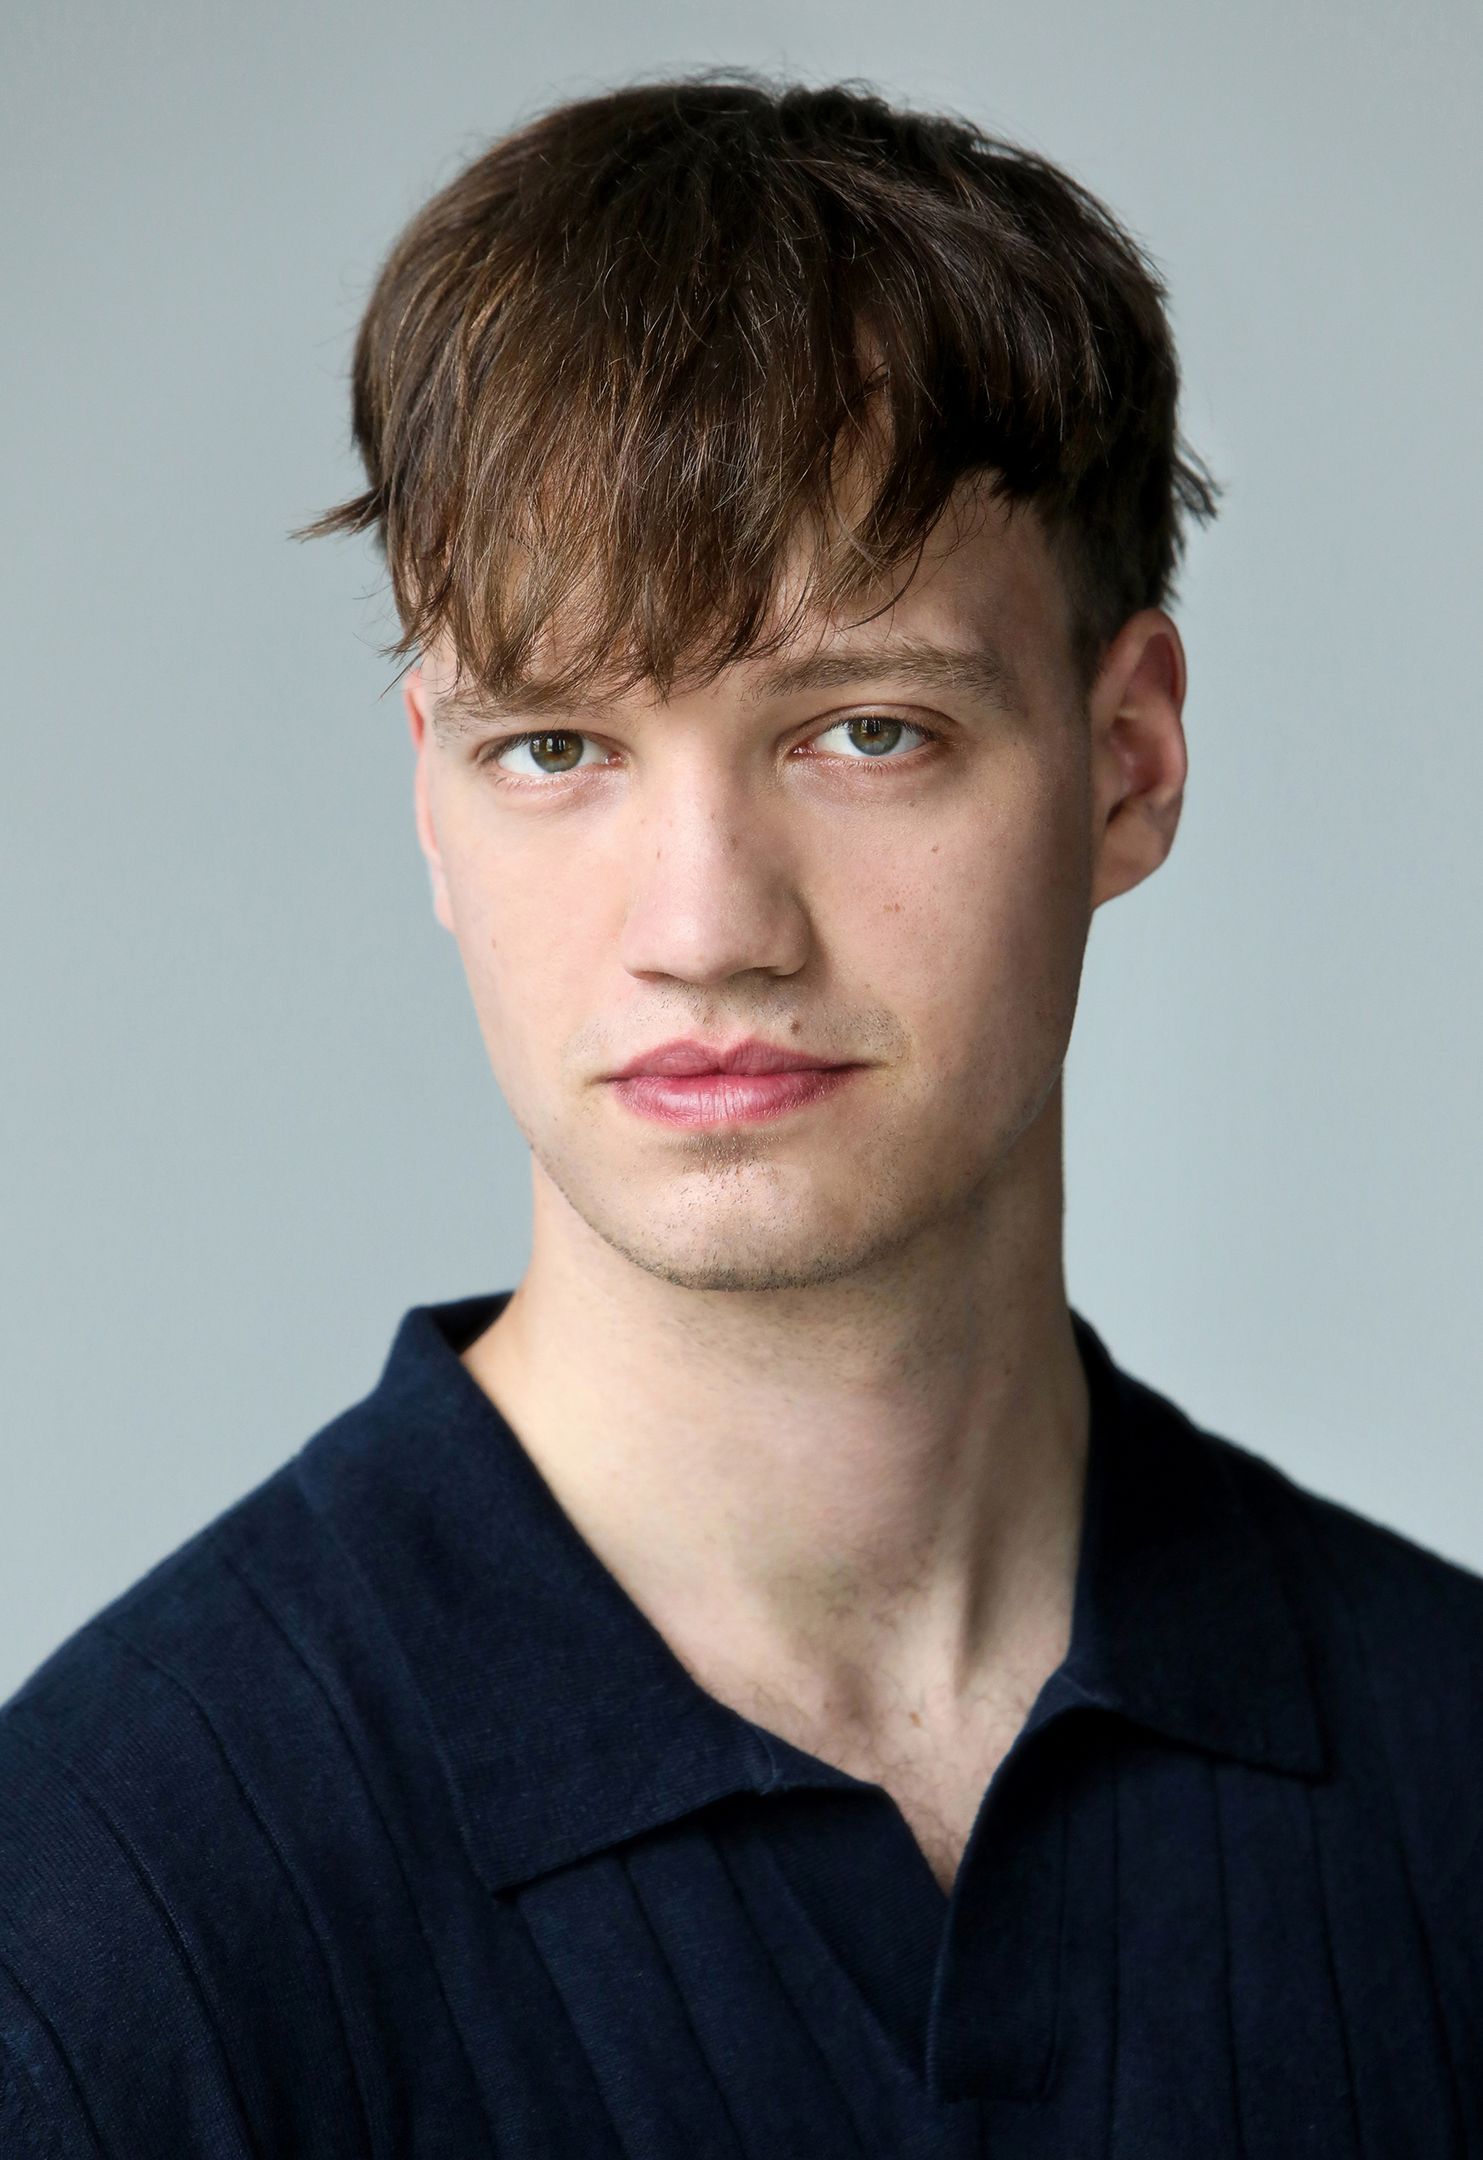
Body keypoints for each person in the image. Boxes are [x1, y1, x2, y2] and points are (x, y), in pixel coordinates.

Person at [2, 68, 1479, 2160]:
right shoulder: (96, 1930)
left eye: (864, 731)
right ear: (430, 794)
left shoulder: (1448, 1769)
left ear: (1129, 760)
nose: (705, 931)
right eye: (555, 748)